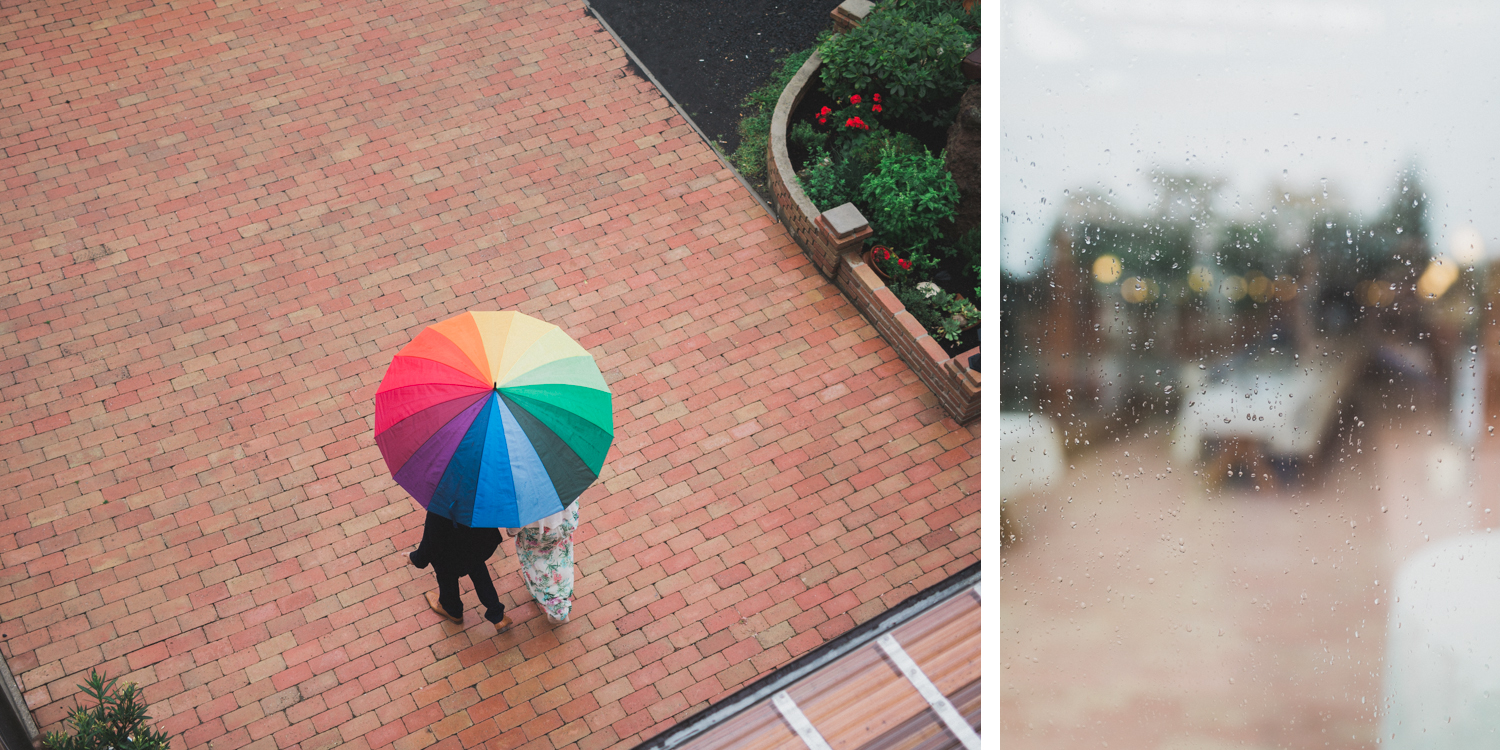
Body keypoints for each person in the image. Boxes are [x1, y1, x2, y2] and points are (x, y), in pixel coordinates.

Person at [409, 511, 513, 633]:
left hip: (449, 555)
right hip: (475, 547)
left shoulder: (438, 508)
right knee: (479, 572)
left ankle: (452, 610)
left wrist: (414, 558)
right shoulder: (479, 498)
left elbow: (430, 541)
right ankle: (498, 617)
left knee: (446, 577)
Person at [509, 501, 580, 624]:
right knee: (562, 557)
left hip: (535, 532)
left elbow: (515, 523)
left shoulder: (516, 489)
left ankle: (556, 610)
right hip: (563, 522)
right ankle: (562, 595)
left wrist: (511, 531)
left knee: (538, 566)